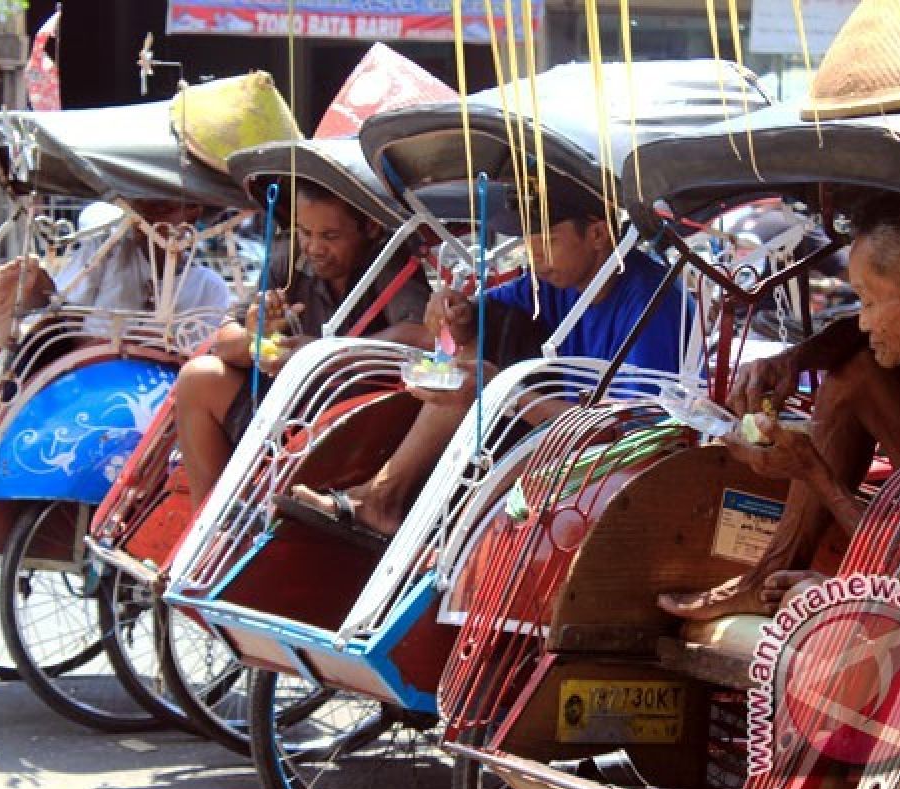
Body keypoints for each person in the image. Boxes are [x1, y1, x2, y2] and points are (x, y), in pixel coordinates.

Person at [287, 185, 694, 539]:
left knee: (480, 383)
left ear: (598, 234)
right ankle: (383, 498)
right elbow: (473, 319)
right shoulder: (555, 282)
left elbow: (629, 433)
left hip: (616, 460)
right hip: (558, 434)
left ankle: (394, 508)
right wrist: (453, 312)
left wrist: (505, 392)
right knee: (467, 365)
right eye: (528, 242)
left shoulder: (656, 302)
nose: (534, 256)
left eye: (546, 240)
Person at [659, 192, 900, 620]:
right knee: (855, 371)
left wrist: (813, 473)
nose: (861, 320)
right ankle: (768, 574)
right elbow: (853, 336)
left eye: (867, 301)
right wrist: (794, 360)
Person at [172, 181, 431, 505]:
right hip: (291, 407)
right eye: (305, 232)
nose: (313, 247)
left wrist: (323, 352)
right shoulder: (288, 256)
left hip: (358, 419)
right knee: (199, 377)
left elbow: (422, 334)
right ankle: (207, 524)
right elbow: (224, 338)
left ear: (370, 227)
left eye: (330, 236)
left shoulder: (389, 260)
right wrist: (257, 339)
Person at [0, 200, 235, 348]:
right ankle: (19, 319)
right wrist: (42, 290)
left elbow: (201, 352)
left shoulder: (209, 286)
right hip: (86, 362)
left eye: (162, 209)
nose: (146, 220)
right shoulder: (107, 250)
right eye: (139, 209)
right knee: (52, 327)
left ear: (192, 212)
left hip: (161, 386)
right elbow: (69, 317)